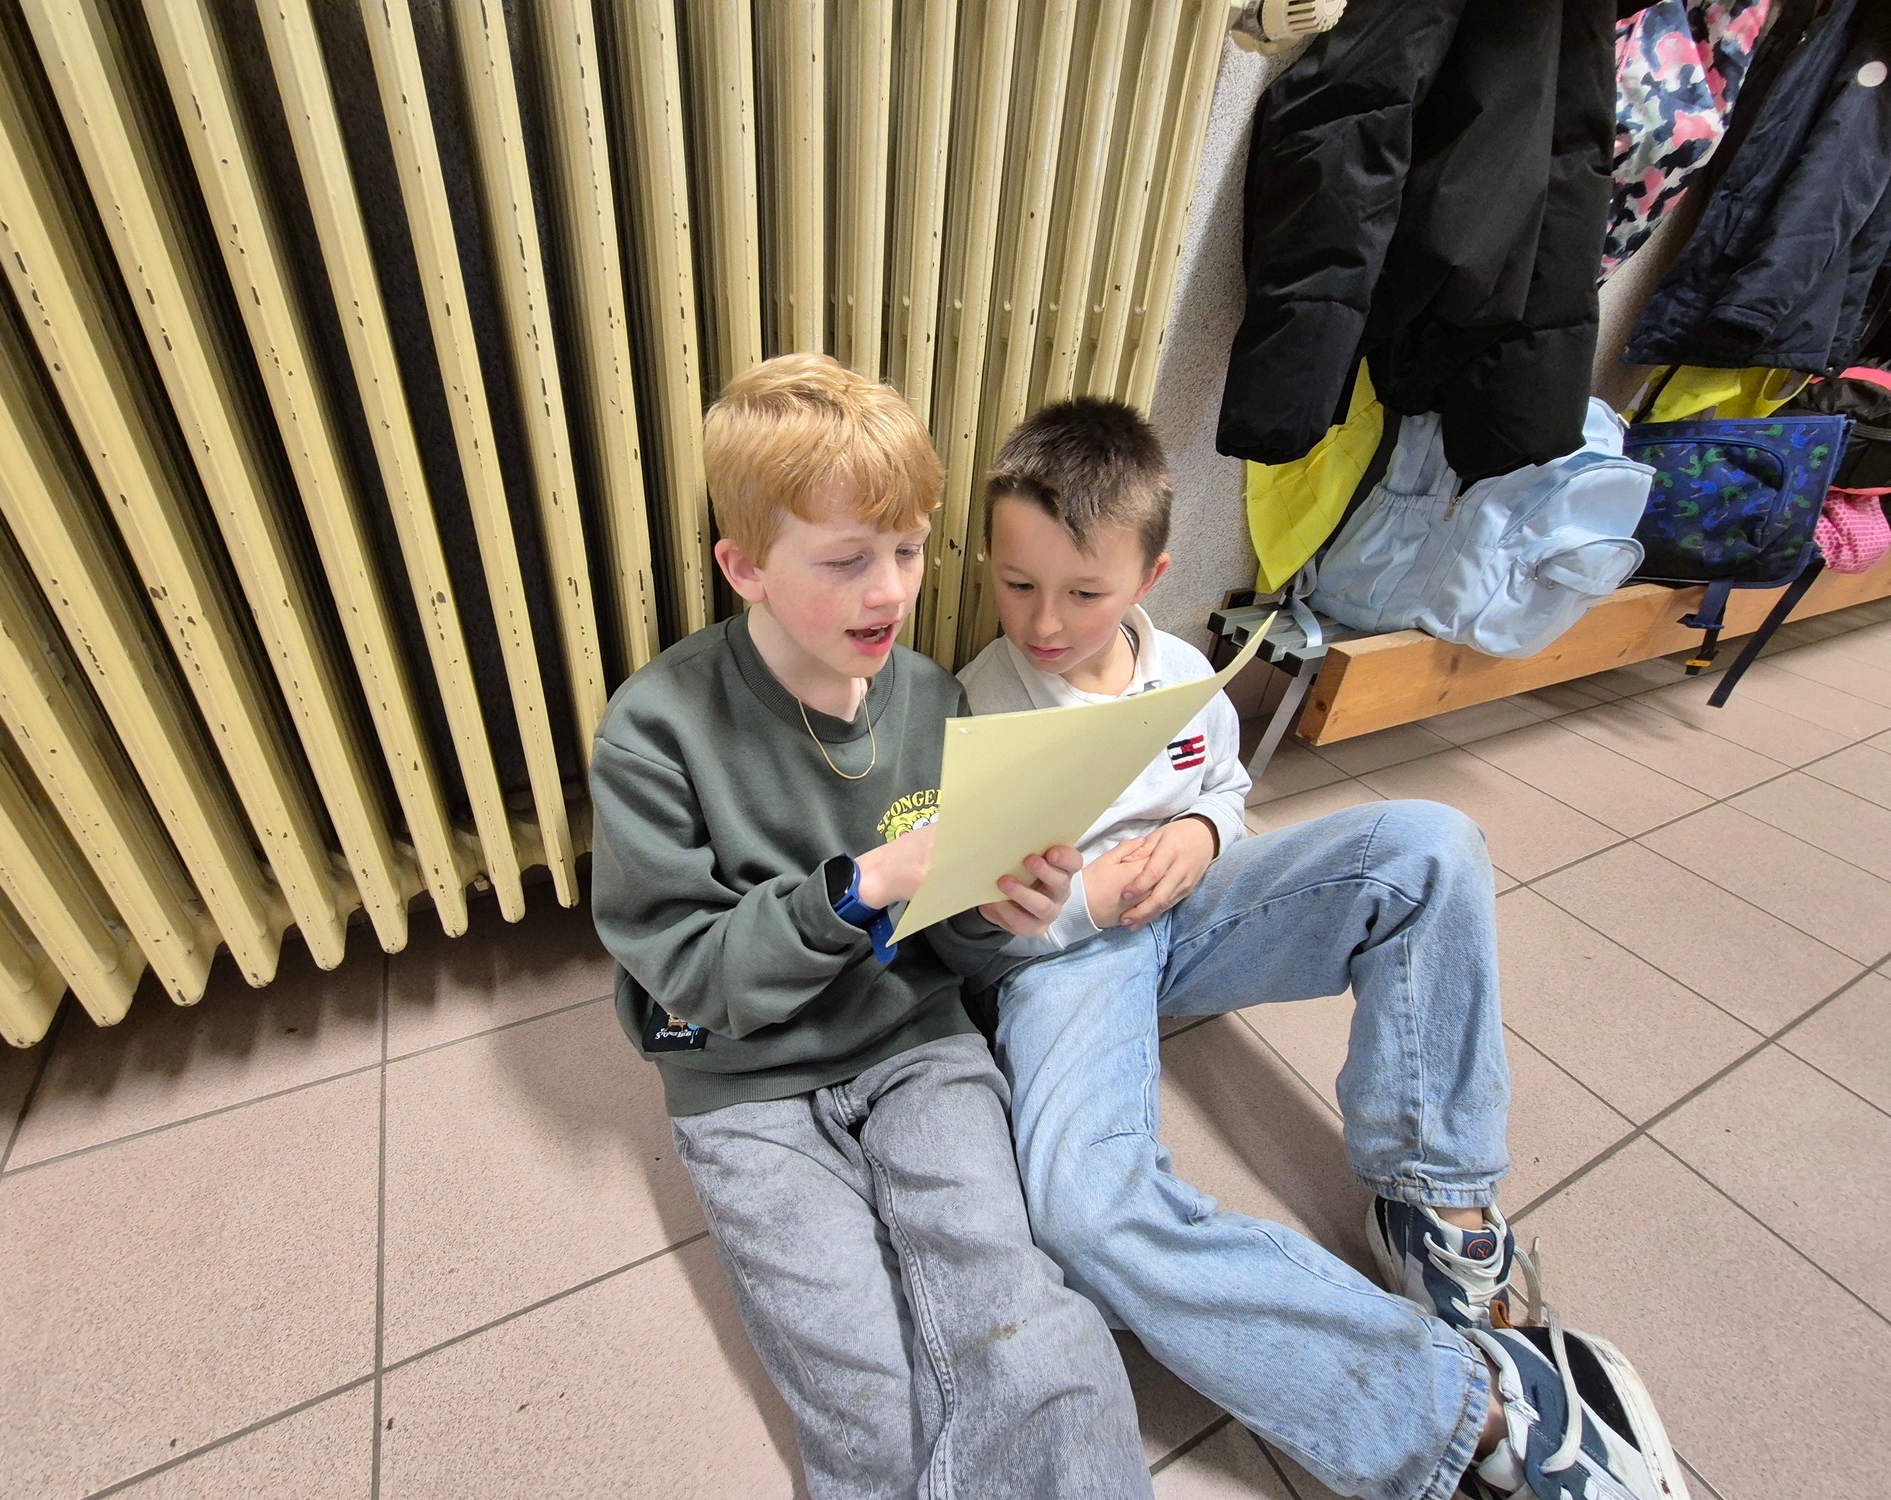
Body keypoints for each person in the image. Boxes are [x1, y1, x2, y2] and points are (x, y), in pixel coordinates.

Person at [957, 397, 1687, 1500]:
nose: (1044, 622)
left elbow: (1223, 785)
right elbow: (967, 937)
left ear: (1149, 578)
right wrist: (1072, 906)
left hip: (1190, 911)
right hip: (1068, 962)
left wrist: (1205, 835)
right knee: (1082, 1209)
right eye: (1016, 585)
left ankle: (1433, 1205)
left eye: (1083, 593)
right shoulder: (974, 707)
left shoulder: (1179, 671)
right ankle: (1469, 1409)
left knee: (1428, 847)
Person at [588, 356, 1153, 1500]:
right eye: (846, 561)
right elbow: (691, 977)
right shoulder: (652, 732)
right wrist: (861, 886)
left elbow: (959, 947)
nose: (889, 592)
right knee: (862, 1397)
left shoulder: (935, 699)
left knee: (1027, 1325)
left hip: (913, 1043)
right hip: (742, 1081)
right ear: (744, 567)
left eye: (907, 550)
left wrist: (1000, 911)